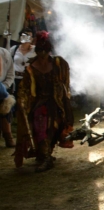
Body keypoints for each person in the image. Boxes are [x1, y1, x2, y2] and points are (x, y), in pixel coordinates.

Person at [14, 31, 74, 172]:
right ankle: (45, 156)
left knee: (55, 129)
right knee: (40, 128)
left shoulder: (59, 63)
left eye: (45, 51)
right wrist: (22, 100)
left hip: (57, 103)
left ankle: (46, 153)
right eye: (39, 51)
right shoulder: (31, 68)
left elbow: (65, 82)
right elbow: (24, 87)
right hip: (39, 104)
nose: (42, 55)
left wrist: (64, 97)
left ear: (49, 51)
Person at [0, 42, 15, 147]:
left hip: (2, 87)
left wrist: (4, 86)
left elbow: (10, 73)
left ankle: (8, 137)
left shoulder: (4, 53)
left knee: (5, 111)